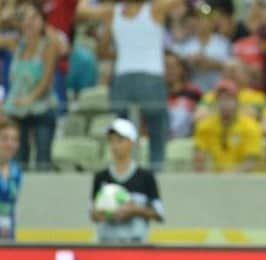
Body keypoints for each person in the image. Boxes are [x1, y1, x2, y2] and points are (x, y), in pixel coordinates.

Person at [76, 0, 182, 171]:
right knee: (157, 131)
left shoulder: (112, 12)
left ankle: (124, 172)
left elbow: (100, 49)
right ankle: (157, 173)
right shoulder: (155, 9)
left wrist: (124, 53)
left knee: (122, 133)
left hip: (123, 78)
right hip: (151, 78)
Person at [1, 2, 59, 171]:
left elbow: (46, 81)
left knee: (42, 160)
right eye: (25, 18)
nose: (30, 22)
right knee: (19, 161)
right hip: (17, 111)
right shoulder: (16, 44)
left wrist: (29, 99)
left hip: (42, 107)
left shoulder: (48, 45)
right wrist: (9, 17)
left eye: (34, 17)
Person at [90, 118, 164, 244]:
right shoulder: (101, 177)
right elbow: (93, 213)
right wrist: (106, 212)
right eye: (111, 140)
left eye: (119, 140)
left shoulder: (145, 176)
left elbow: (158, 213)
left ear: (131, 142)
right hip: (105, 243)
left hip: (135, 244)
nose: (115, 145)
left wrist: (135, 210)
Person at [193, 79, 265, 173]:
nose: (224, 104)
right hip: (215, 180)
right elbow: (199, 159)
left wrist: (226, 177)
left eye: (228, 99)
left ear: (237, 102)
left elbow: (250, 162)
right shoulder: (204, 127)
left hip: (246, 181)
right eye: (221, 99)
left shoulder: (251, 127)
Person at [0, 117, 21, 241]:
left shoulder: (16, 171)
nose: (10, 144)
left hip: (8, 239)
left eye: (15, 140)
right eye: (4, 139)